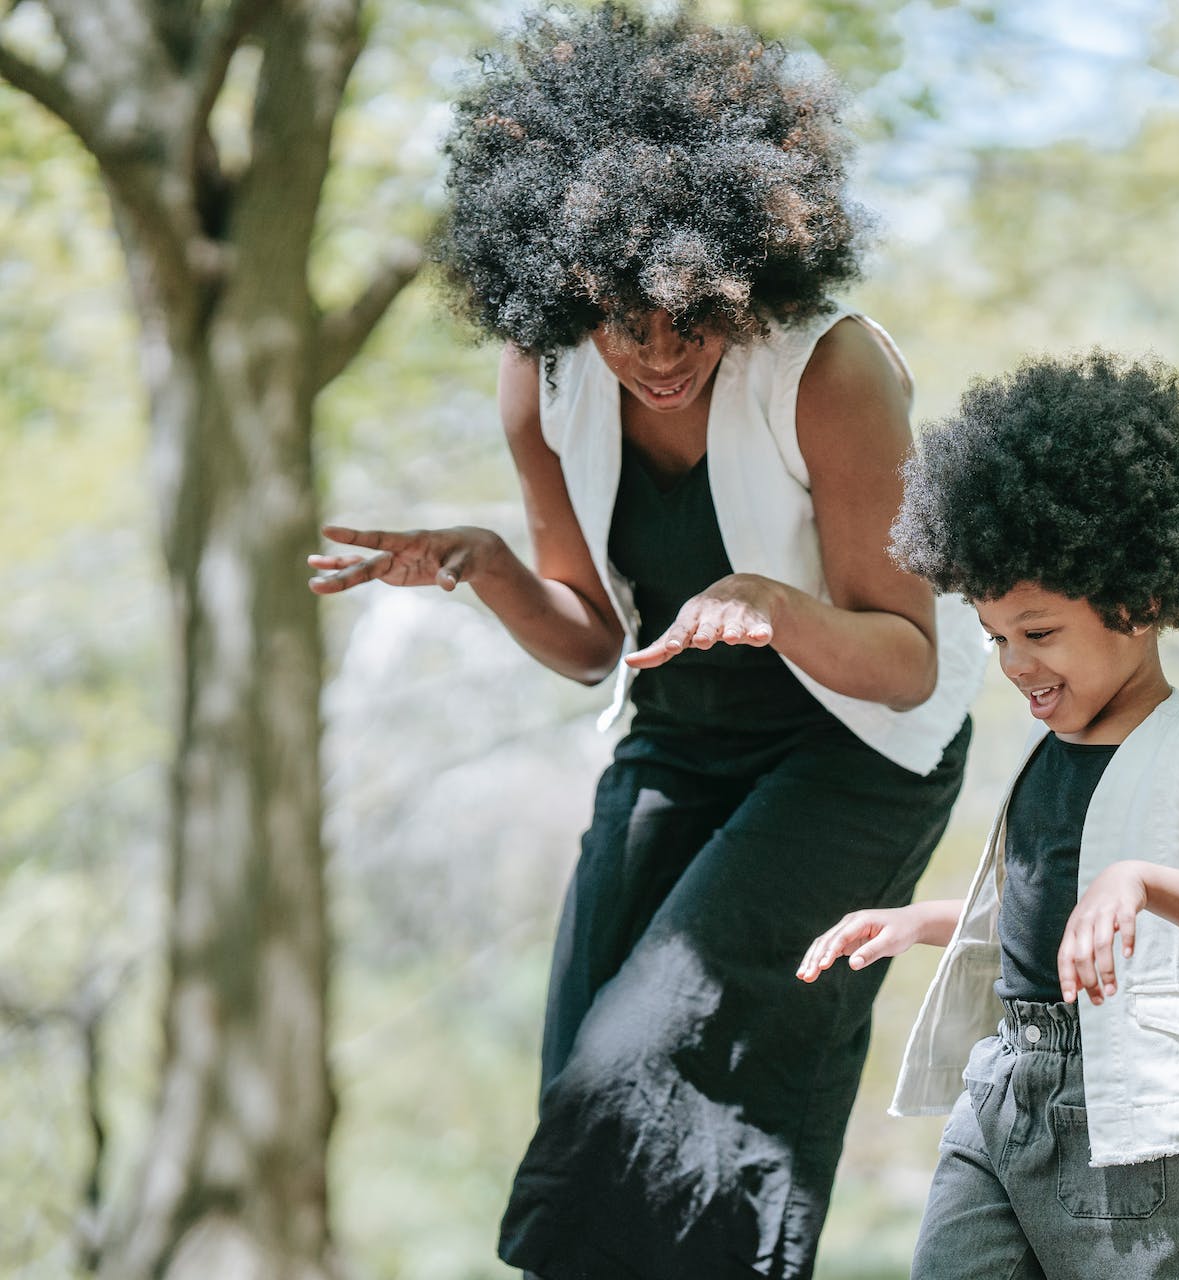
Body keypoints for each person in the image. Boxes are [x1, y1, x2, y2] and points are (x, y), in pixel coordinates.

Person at [308, 7, 983, 1277]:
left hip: (851, 751)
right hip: (681, 736)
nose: (661, 354)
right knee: (582, 1085)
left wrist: (777, 607)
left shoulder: (829, 371)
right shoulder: (543, 374)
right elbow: (588, 641)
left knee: (656, 1056)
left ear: (745, 266)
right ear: (565, 289)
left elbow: (907, 655)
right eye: (625, 318)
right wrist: (487, 564)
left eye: (694, 315)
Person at [798, 352, 1179, 1280]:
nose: (1015, 663)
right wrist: (924, 921)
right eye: (997, 638)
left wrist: (1142, 882)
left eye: (1039, 633)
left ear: (1141, 601)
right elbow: (1049, 920)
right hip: (1004, 1089)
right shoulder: (1047, 755)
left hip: (1134, 1114)